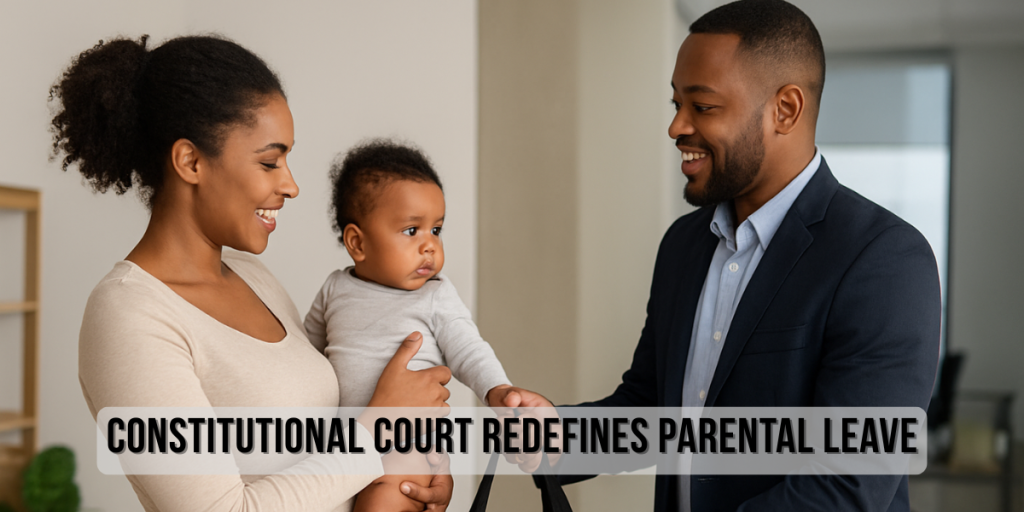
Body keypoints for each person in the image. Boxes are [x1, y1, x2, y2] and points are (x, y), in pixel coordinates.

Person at [523, 1, 942, 510]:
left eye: (702, 107)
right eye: (675, 103)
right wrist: (551, 435)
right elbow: (653, 409)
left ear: (785, 110)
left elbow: (847, 482)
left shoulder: (884, 258)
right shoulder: (683, 244)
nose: (676, 127)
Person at [52, 34, 454, 511]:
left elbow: (327, 454)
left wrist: (405, 477)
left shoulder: (252, 276)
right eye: (269, 161)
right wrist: (375, 434)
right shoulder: (128, 315)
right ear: (191, 161)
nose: (291, 185)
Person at [304, 140, 520, 511]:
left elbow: (469, 349)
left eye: (436, 229)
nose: (429, 246)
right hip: (348, 442)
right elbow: (305, 354)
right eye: (411, 231)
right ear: (357, 243)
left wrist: (496, 391)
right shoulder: (335, 289)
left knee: (383, 500)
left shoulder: (436, 295)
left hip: (408, 445)